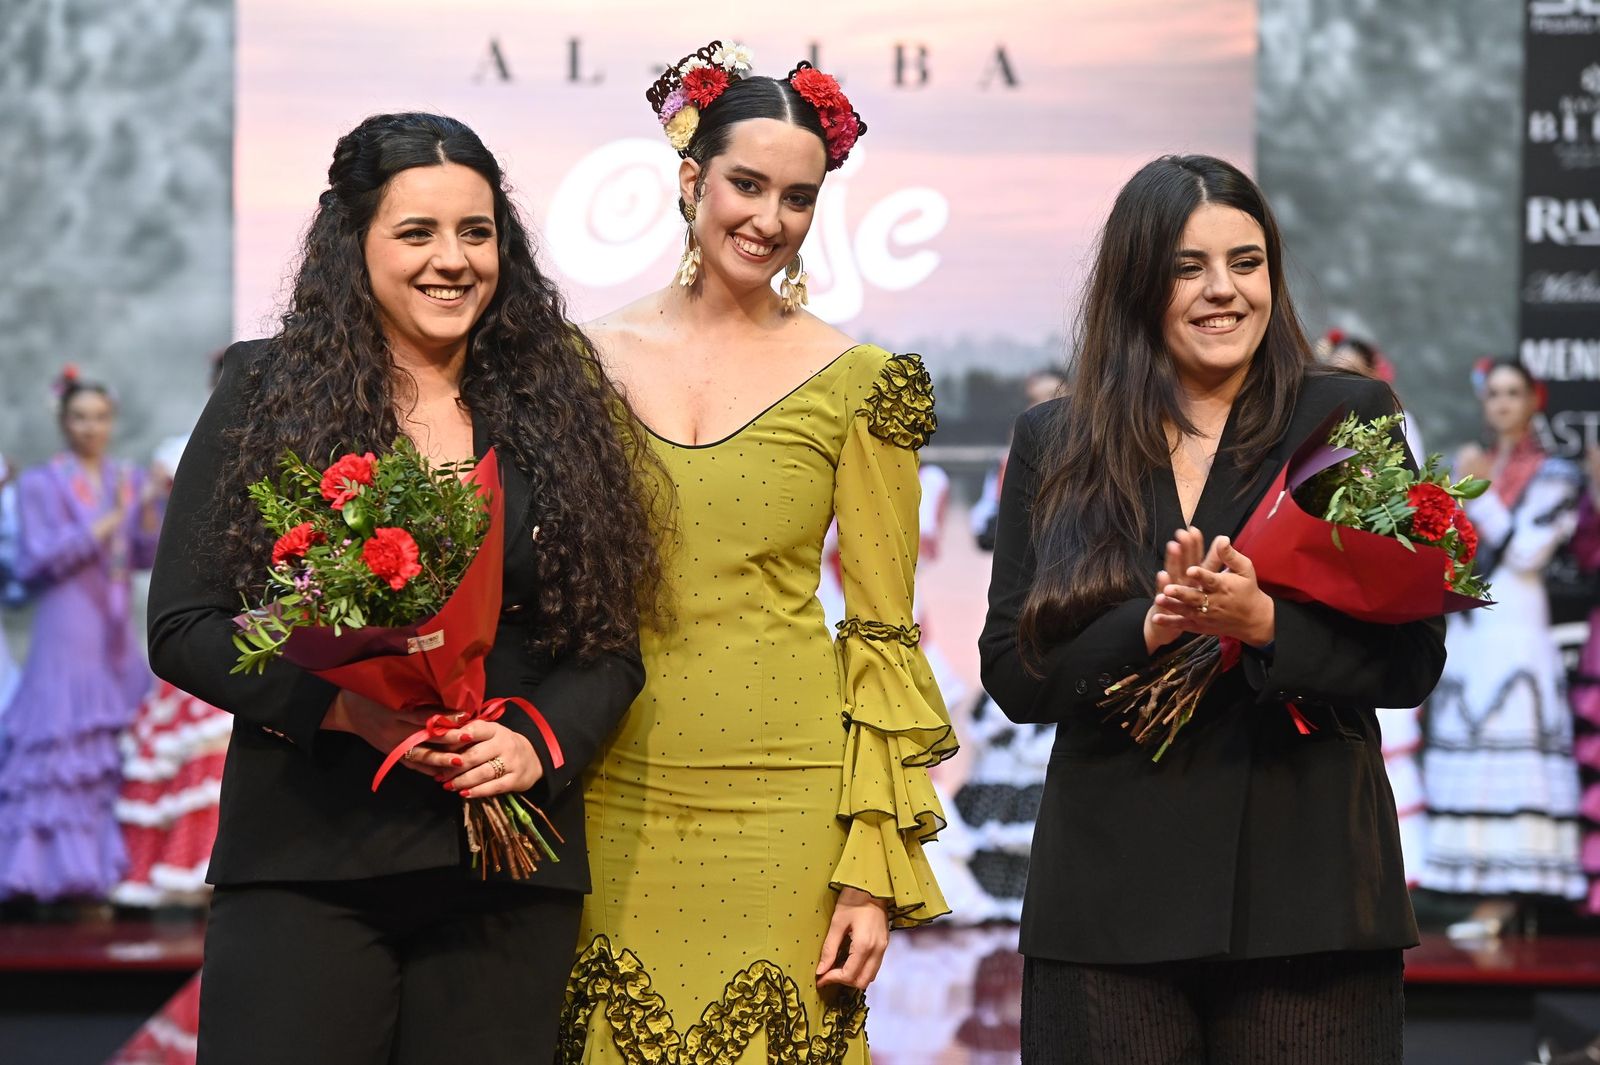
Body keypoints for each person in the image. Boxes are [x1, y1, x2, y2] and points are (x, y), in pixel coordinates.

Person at [146, 112, 661, 1064]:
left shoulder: (555, 396)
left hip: (507, 869)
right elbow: (183, 625)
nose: (452, 260)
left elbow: (608, 645)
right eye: (416, 232)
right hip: (309, 853)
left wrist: (532, 744)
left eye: (477, 231)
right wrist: (346, 709)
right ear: (356, 243)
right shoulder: (268, 390)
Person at [979, 155, 1444, 1064]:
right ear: (1138, 281)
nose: (1223, 290)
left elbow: (1408, 660)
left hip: (1309, 899)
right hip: (1107, 908)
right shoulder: (1057, 439)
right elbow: (1013, 670)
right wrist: (1150, 628)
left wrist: (1263, 625)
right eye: (1188, 267)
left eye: (1247, 260)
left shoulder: (1349, 417)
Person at [560, 42, 956, 1063]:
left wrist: (869, 868)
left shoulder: (860, 383)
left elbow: (879, 630)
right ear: (689, 178)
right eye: (746, 184)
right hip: (611, 785)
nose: (767, 219)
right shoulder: (578, 366)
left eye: (798, 197)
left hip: (787, 797)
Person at [1419, 359, 1586, 926]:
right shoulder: (1473, 463)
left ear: (1533, 400)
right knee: (1470, 748)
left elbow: (1526, 553)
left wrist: (1478, 494)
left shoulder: (1555, 473)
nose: (1503, 403)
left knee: (1513, 744)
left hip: (1518, 628)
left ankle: (1507, 901)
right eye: (1494, 394)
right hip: (1472, 627)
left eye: (1514, 392)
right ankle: (1475, 892)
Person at [0, 370, 164, 903]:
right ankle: (43, 875)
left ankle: (113, 877)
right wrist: (102, 524)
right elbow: (33, 561)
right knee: (59, 750)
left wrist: (156, 510)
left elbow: (143, 555)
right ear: (63, 421)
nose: (90, 427)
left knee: (116, 748)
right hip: (64, 624)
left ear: (111, 422)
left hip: (113, 631)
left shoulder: (126, 477)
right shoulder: (39, 484)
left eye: (99, 417)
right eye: (79, 417)